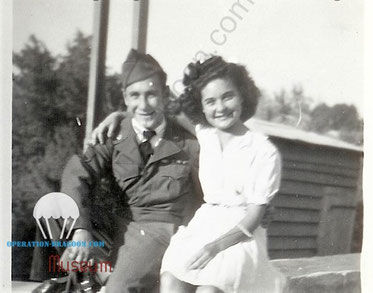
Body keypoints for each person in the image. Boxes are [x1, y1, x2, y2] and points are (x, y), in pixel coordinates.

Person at [92, 56, 286, 292]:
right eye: (211, 101)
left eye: (228, 96)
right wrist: (120, 116)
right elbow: (154, 112)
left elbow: (254, 217)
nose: (220, 108)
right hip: (203, 226)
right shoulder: (205, 134)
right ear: (201, 106)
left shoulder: (262, 150)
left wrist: (214, 247)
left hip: (239, 236)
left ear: (243, 95)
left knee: (208, 289)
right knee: (171, 281)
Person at [31, 49, 202, 293]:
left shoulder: (187, 143)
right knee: (54, 206)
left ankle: (102, 280)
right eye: (135, 95)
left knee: (119, 290)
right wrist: (81, 229)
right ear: (125, 97)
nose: (143, 105)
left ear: (164, 94)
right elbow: (77, 173)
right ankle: (97, 274)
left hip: (158, 230)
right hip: (119, 225)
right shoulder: (115, 132)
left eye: (151, 95)